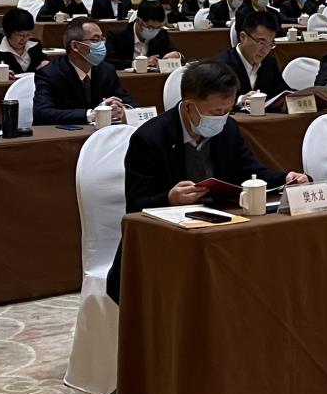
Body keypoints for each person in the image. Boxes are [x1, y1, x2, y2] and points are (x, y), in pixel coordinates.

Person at [102, 58, 307, 298]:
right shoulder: (150, 138)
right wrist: (169, 198)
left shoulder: (228, 128)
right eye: (216, 112)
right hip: (167, 240)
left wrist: (286, 178)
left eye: (228, 110)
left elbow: (250, 171)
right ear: (189, 106)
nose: (222, 118)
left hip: (220, 232)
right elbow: (135, 205)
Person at [33, 19, 129, 124]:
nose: (102, 44)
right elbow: (42, 113)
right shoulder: (49, 73)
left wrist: (122, 109)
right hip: (67, 132)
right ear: (75, 46)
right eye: (95, 40)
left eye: (102, 39)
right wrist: (91, 114)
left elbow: (128, 101)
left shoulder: (106, 70)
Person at [213, 9, 286, 99]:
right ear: (243, 37)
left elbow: (282, 91)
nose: (265, 50)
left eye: (270, 44)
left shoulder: (269, 63)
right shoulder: (221, 66)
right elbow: (214, 99)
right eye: (261, 43)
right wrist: (240, 100)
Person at [0, 7, 47, 79]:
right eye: (20, 35)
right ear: (9, 33)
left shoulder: (34, 45)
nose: (25, 39)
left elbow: (43, 61)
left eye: (28, 34)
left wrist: (46, 63)